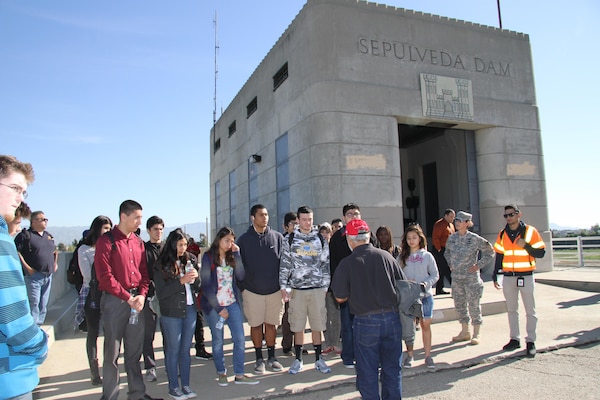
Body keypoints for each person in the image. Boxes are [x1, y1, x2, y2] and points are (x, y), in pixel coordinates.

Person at [94, 200, 162, 400]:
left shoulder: (138, 242)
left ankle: (137, 394)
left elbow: (144, 273)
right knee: (112, 354)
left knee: (134, 353)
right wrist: (127, 297)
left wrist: (141, 295)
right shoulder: (106, 242)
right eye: (137, 218)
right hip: (115, 302)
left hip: (136, 302)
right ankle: (110, 396)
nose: (140, 222)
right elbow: (105, 277)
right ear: (123, 216)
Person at [331, 219, 404, 400]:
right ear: (369, 236)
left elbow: (339, 297)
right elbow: (403, 287)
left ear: (350, 238)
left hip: (366, 321)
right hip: (392, 319)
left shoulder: (347, 263)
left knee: (367, 371)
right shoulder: (387, 257)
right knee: (392, 369)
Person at [0, 154, 48, 400]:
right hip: (8, 377)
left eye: (23, 192)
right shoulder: (2, 242)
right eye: (15, 188)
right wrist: (40, 345)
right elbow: (13, 319)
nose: (20, 198)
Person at [200, 227, 258, 386]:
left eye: (232, 241)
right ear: (219, 240)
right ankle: (221, 372)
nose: (229, 244)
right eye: (227, 240)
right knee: (218, 341)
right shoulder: (208, 257)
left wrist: (237, 254)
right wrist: (219, 309)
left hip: (232, 303)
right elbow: (205, 284)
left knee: (239, 338)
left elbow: (240, 276)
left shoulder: (233, 256)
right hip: (214, 306)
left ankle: (239, 374)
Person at [279, 205, 331, 375]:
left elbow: (325, 264)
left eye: (310, 219)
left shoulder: (320, 239)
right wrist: (283, 286)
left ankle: (318, 359)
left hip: (316, 289)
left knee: (317, 325)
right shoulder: (291, 239)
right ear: (298, 221)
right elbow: (285, 264)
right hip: (297, 290)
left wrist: (325, 285)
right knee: (297, 325)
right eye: (304, 219)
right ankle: (298, 360)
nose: (307, 222)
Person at [493, 204, 546, 358]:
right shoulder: (502, 234)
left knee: (530, 310)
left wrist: (527, 246)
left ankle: (531, 341)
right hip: (509, 276)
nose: (509, 218)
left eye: (511, 214)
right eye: (506, 215)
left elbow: (541, 252)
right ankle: (514, 339)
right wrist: (496, 273)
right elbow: (499, 254)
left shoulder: (530, 231)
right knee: (511, 310)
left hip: (526, 276)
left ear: (518, 214)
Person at [237, 204, 285, 374]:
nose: (265, 218)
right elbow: (238, 267)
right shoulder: (243, 240)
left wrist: (284, 286)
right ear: (252, 218)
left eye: (266, 214)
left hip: (274, 291)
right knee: (256, 325)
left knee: (271, 325)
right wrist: (243, 288)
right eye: (261, 215)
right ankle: (259, 359)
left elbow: (285, 264)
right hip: (252, 291)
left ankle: (272, 357)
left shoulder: (278, 237)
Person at [329, 202, 377, 368]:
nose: (353, 216)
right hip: (347, 290)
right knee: (348, 325)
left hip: (366, 290)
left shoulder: (368, 233)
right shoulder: (337, 238)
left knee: (367, 324)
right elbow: (333, 264)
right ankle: (349, 357)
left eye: (356, 213)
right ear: (344, 217)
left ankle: (366, 354)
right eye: (350, 214)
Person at [154, 228, 200, 400]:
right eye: (180, 245)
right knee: (173, 350)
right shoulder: (161, 264)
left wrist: (196, 278)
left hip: (190, 310)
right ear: (172, 244)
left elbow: (197, 286)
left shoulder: (191, 260)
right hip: (171, 312)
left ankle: (186, 385)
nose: (183, 248)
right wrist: (180, 281)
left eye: (185, 244)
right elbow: (162, 292)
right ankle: (173, 387)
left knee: (185, 350)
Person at [445, 211, 494, 345]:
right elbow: (447, 252)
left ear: (467, 223)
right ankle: (464, 331)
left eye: (460, 221)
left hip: (471, 278)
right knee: (459, 305)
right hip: (457, 278)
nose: (457, 223)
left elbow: (490, 252)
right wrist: (451, 264)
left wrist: (478, 266)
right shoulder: (452, 238)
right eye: (456, 220)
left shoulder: (475, 239)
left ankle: (476, 333)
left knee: (473, 305)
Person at [75, 215, 113, 386]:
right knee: (93, 333)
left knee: (111, 333)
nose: (108, 231)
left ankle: (109, 368)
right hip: (92, 294)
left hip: (111, 294)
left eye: (110, 228)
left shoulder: (113, 247)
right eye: (105, 228)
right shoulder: (84, 249)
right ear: (97, 229)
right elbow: (87, 275)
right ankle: (94, 371)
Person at [397, 224, 439, 369]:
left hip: (425, 295)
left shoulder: (427, 256)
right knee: (408, 328)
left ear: (420, 239)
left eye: (414, 237)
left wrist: (424, 284)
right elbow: (396, 275)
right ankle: (410, 355)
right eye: (408, 238)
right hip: (408, 298)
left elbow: (435, 275)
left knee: (425, 324)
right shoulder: (402, 257)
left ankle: (428, 356)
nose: (411, 241)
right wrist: (405, 283)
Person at [15, 210, 57, 325]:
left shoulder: (48, 236)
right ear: (33, 222)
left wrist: (55, 263)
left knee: (43, 302)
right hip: (33, 276)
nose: (45, 222)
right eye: (42, 219)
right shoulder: (25, 236)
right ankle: (32, 326)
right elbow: (17, 253)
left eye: (46, 219)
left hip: (47, 275)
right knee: (34, 302)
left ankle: (39, 324)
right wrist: (27, 268)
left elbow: (54, 251)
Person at [143, 216, 164, 383]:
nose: (159, 232)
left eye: (161, 229)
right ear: (149, 230)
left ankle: (172, 365)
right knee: (148, 334)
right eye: (156, 229)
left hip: (167, 298)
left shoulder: (167, 249)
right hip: (149, 297)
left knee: (169, 334)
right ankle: (150, 367)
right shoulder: (142, 250)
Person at [280, 211, 298, 356]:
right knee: (288, 315)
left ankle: (299, 343)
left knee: (301, 315)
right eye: (292, 224)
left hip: (302, 283)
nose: (295, 226)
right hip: (288, 284)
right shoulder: (282, 241)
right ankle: (287, 345)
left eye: (297, 223)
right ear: (285, 226)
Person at [431, 209, 456, 295]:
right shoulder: (439, 224)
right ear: (446, 216)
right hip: (440, 250)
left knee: (441, 270)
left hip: (448, 250)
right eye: (451, 216)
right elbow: (435, 237)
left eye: (453, 217)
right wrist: (439, 249)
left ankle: (439, 289)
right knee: (446, 269)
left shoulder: (451, 225)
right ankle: (455, 287)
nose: (452, 218)